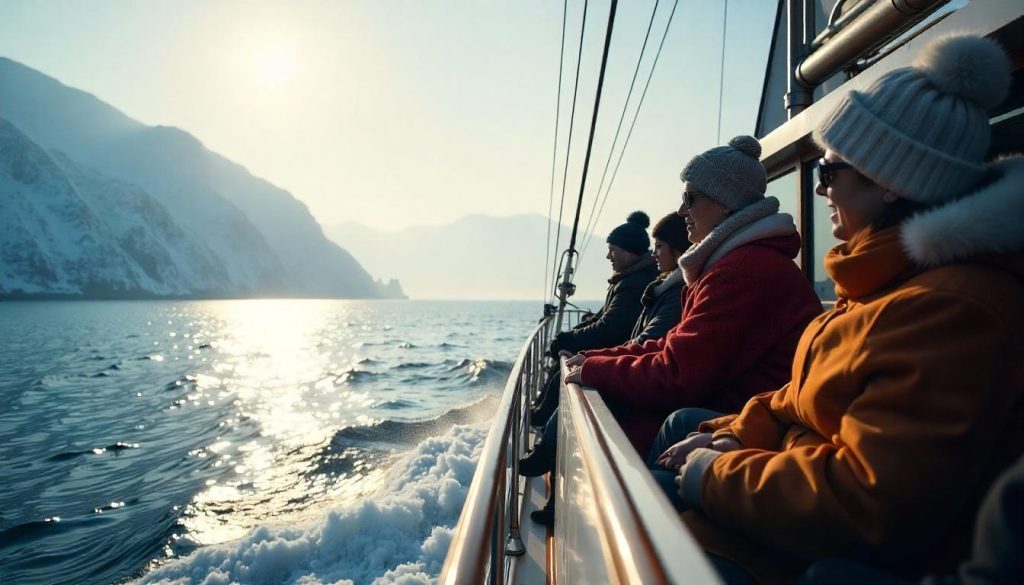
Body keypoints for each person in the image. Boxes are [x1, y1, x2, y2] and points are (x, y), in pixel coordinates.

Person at [658, 34, 1024, 584]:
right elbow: (805, 394)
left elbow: (868, 503)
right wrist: (737, 432)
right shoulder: (882, 280)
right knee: (660, 467)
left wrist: (716, 473)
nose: (823, 188)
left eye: (829, 170)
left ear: (888, 184)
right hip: (789, 504)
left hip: (810, 554)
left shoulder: (950, 311)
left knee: (638, 515)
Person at [563, 135, 822, 456]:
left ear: (724, 200)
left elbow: (676, 374)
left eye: (690, 197)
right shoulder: (737, 263)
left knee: (636, 428)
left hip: (753, 424)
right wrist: (595, 359)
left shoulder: (742, 271)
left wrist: (594, 369)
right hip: (738, 409)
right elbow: (676, 346)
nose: (682, 209)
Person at [529, 211, 658, 421]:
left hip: (618, 355)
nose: (608, 257)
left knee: (562, 370)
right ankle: (540, 416)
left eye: (612, 251)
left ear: (628, 252)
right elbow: (601, 319)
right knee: (561, 362)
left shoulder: (633, 284)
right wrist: (572, 335)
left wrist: (567, 339)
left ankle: (539, 421)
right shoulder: (628, 279)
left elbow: (609, 328)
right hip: (616, 350)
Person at [629, 212, 690, 345]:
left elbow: (647, 341)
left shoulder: (678, 295)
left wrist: (592, 360)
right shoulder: (663, 288)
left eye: (659, 246)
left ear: (678, 247)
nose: (653, 254)